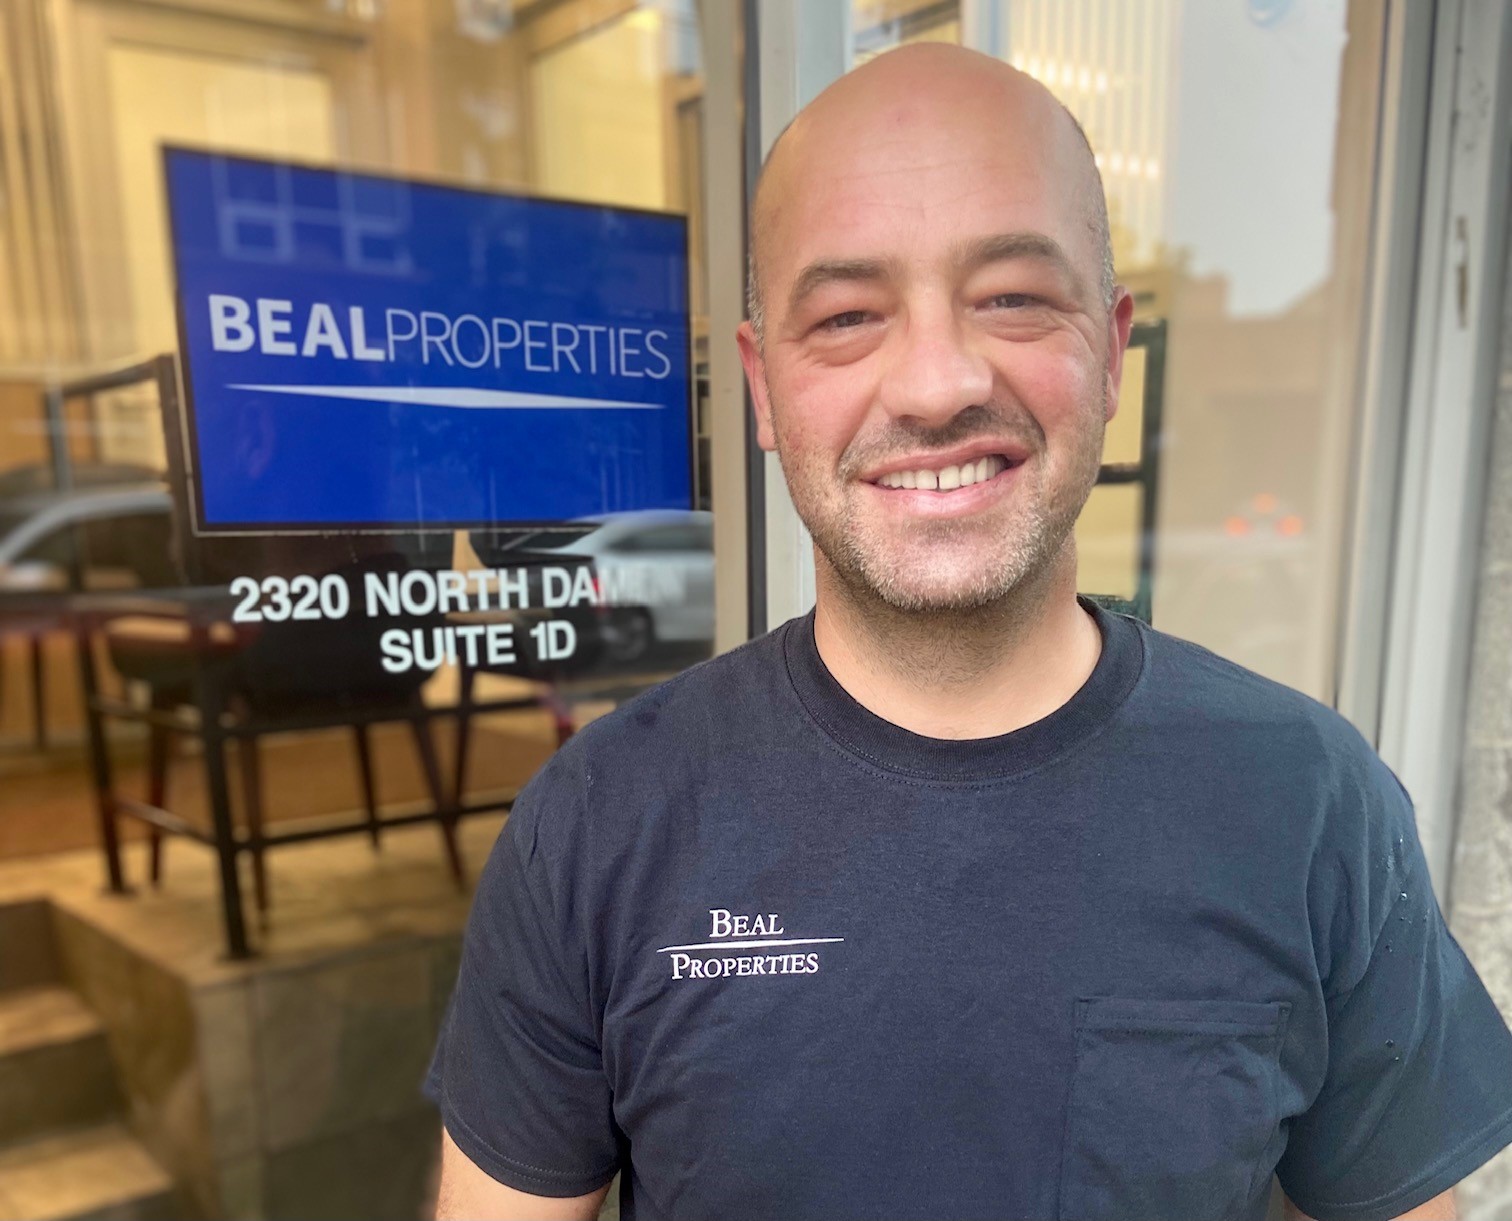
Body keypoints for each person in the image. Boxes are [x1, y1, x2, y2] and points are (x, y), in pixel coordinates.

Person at [426, 43, 1512, 1221]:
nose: (938, 383)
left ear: (1112, 351)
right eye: (847, 316)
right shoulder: (600, 824)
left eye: (1013, 298)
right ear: (763, 388)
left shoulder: (1308, 803)